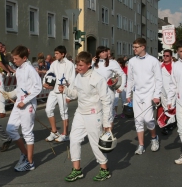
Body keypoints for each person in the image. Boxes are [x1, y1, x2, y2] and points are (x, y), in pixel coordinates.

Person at [58, 51, 112, 182]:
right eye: (77, 65)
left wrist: (107, 123)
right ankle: (77, 170)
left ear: (89, 64)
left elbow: (106, 101)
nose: (78, 67)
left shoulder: (97, 78)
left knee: (95, 143)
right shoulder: (78, 76)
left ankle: (104, 170)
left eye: (81, 65)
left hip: (94, 114)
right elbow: (76, 93)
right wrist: (65, 90)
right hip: (80, 113)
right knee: (74, 139)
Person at [5, 45, 42, 171]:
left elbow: (38, 87)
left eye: (16, 58)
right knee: (10, 129)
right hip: (18, 103)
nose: (13, 61)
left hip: (28, 105)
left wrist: (25, 101)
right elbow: (20, 88)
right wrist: (10, 94)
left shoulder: (30, 69)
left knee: (27, 133)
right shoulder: (19, 70)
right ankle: (25, 154)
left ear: (24, 58)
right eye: (13, 58)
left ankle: (30, 163)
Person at [126, 38, 162, 155]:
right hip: (137, 95)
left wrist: (156, 95)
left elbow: (158, 79)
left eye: (136, 47)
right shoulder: (131, 61)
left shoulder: (153, 61)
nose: (134, 49)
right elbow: (130, 79)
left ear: (143, 47)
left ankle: (154, 138)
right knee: (138, 120)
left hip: (149, 95)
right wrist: (128, 94)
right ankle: (141, 145)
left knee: (148, 120)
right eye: (133, 47)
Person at [43, 46, 75, 142]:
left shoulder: (70, 64)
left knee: (63, 112)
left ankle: (65, 134)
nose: (55, 55)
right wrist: (45, 83)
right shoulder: (54, 64)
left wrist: (69, 95)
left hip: (63, 91)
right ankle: (54, 131)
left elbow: (72, 80)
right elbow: (48, 74)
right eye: (55, 53)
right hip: (53, 90)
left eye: (57, 53)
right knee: (48, 110)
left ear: (63, 54)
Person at [93, 46, 126, 129]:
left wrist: (121, 87)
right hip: (96, 93)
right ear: (98, 54)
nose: (106, 53)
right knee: (98, 115)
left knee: (108, 115)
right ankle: (100, 134)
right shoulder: (94, 63)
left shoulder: (112, 63)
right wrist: (91, 62)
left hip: (108, 92)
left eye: (106, 52)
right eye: (103, 52)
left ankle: (108, 135)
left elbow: (122, 74)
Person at [158, 49, 176, 135]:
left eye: (167, 56)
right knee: (165, 109)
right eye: (164, 56)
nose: (165, 57)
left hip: (172, 92)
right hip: (162, 91)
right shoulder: (159, 66)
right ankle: (166, 125)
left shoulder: (175, 66)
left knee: (171, 108)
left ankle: (170, 124)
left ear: (171, 57)